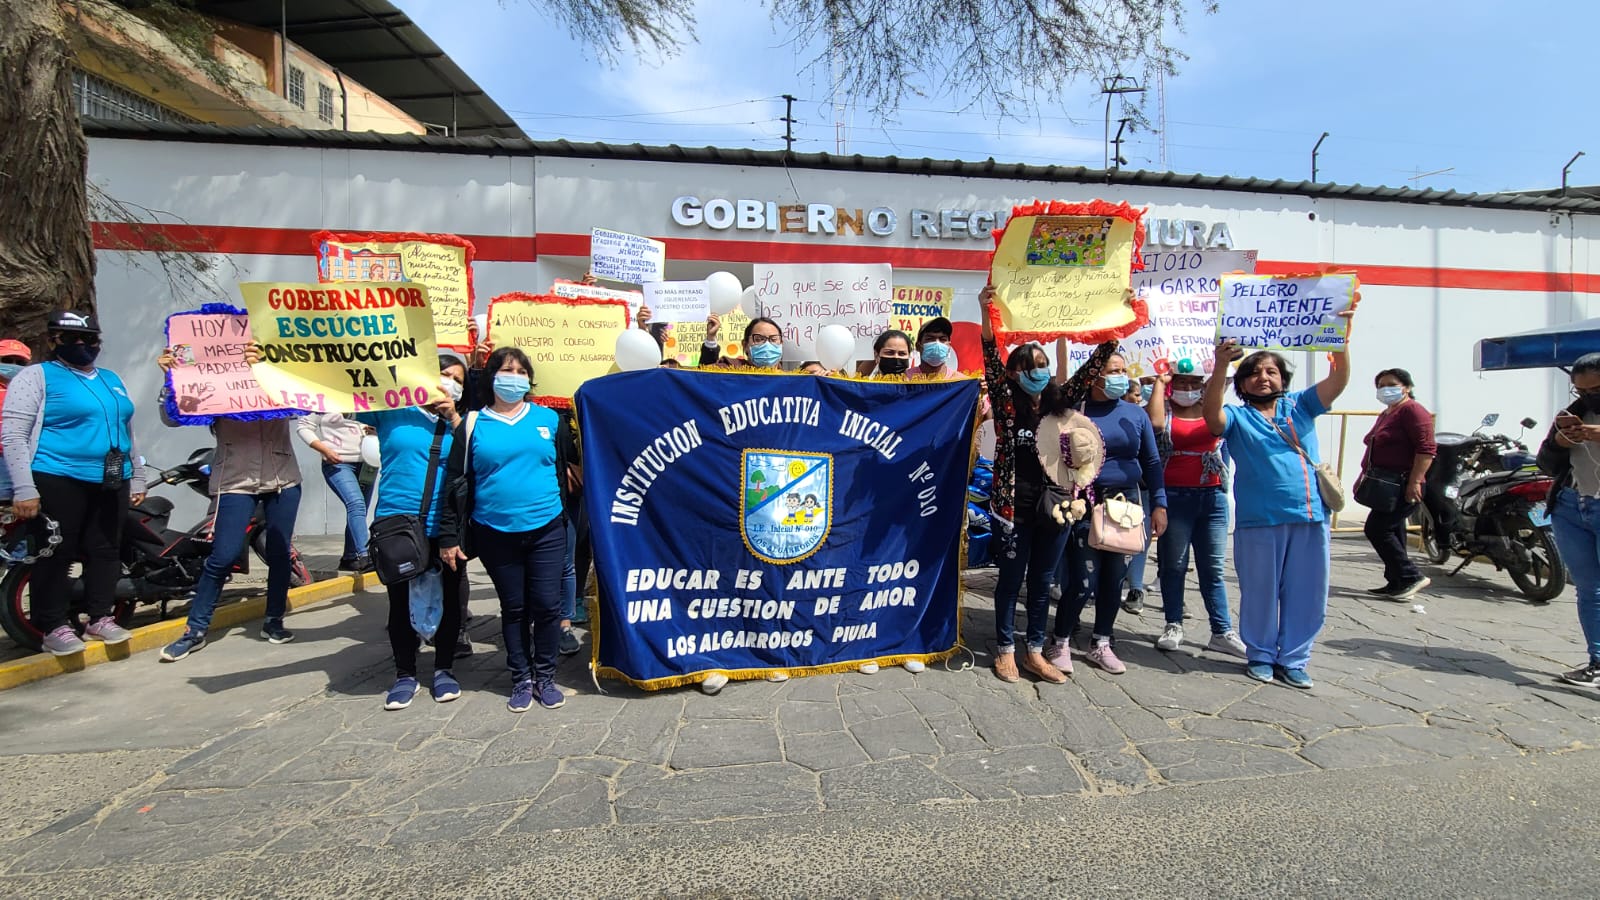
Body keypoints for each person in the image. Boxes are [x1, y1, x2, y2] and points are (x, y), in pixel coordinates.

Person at [1203, 316, 1353, 689]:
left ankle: (1295, 659)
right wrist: (1222, 364)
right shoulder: (1237, 416)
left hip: (1310, 516)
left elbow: (1338, 381)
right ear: (1241, 384)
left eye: (1271, 371)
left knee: (1307, 593)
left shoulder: (1300, 407)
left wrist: (1340, 339)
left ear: (1283, 380)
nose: (1263, 377)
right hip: (1259, 522)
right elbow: (1211, 415)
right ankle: (1261, 655)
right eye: (1253, 372)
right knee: (1260, 592)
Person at [979, 284, 1117, 684]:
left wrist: (1113, 325)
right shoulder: (1006, 405)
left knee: (1041, 583)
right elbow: (990, 356)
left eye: (1042, 364)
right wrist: (984, 311)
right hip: (1012, 510)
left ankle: (1035, 651)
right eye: (1029, 365)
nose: (1038, 371)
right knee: (1010, 581)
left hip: (1056, 508)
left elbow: (1092, 368)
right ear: (1015, 372)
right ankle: (1005, 651)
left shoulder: (1062, 402)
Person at [1, 312, 144, 655]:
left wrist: (137, 474)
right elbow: (14, 434)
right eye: (69, 338)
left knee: (106, 549)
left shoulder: (110, 378)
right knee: (56, 551)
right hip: (57, 476)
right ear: (52, 341)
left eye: (90, 339)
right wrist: (24, 488)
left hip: (112, 479)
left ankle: (100, 617)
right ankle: (52, 625)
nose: (81, 345)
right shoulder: (37, 377)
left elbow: (126, 429)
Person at [439, 347, 572, 713]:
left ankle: (545, 676)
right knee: (514, 609)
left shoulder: (549, 419)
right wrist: (449, 536)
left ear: (529, 378)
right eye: (505, 370)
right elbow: (454, 481)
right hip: (495, 531)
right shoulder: (472, 424)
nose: (513, 376)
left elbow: (565, 465)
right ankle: (521, 678)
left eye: (520, 370)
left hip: (547, 528)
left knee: (547, 606)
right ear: (491, 377)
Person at [157, 343, 303, 662]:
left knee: (280, 555)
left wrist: (267, 368)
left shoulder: (276, 374)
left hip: (283, 479)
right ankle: (194, 630)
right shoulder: (213, 381)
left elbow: (301, 406)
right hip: (235, 481)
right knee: (222, 557)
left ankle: (273, 621)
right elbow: (174, 417)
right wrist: (172, 379)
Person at [361, 354, 469, 709]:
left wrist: (452, 417)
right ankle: (405, 673)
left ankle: (443, 669)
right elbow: (330, 395)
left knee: (450, 600)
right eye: (443, 373)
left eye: (458, 378)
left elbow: (475, 458)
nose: (449, 381)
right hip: (396, 522)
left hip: (445, 523)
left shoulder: (463, 423)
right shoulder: (391, 411)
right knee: (399, 602)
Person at [1053, 352, 1167, 674]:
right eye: (1112, 370)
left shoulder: (1136, 414)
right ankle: (1059, 641)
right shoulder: (1074, 413)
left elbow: (1152, 462)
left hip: (1126, 505)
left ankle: (1100, 642)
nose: (1119, 376)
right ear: (1094, 376)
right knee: (1082, 580)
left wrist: (1159, 503)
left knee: (1114, 578)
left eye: (1122, 370)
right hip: (1086, 503)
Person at [1148, 364, 1247, 657]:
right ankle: (1173, 624)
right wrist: (1159, 382)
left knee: (1213, 569)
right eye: (1182, 382)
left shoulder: (1214, 409)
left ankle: (1222, 630)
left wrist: (1217, 364)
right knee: (1173, 566)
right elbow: (1153, 424)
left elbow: (1221, 383)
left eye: (1194, 383)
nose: (1188, 389)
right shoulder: (1164, 410)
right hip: (1175, 498)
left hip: (1212, 497)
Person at [1538, 354, 1600, 688]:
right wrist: (1558, 443)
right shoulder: (1572, 414)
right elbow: (1546, 463)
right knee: (1589, 590)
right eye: (1581, 390)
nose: (1589, 396)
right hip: (1572, 506)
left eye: (1597, 388)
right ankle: (1597, 660)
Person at [1357, 368, 1436, 600]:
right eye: (1380, 385)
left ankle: (1410, 575)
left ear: (1406, 386)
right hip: (1384, 483)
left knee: (1376, 529)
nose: (1385, 389)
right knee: (1393, 529)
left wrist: (1415, 481)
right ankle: (1397, 581)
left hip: (1402, 483)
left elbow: (1426, 450)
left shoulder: (1413, 411)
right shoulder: (1388, 412)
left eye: (1391, 384)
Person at [296, 413, 373, 572]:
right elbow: (303, 427)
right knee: (356, 504)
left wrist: (377, 431)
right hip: (337, 463)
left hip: (368, 463)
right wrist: (324, 449)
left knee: (359, 510)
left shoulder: (364, 395)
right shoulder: (324, 398)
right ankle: (365, 555)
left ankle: (349, 557)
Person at [0, 338, 34, 501]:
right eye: (6, 360)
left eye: (20, 362)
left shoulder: (33, 391)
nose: (13, 365)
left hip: (25, 460)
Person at [700, 315, 785, 369]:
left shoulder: (790, 379)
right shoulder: (731, 370)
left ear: (781, 343)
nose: (767, 345)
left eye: (773, 339)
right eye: (759, 339)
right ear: (745, 345)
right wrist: (711, 339)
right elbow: (704, 377)